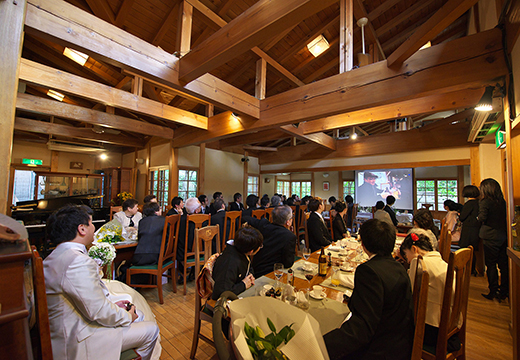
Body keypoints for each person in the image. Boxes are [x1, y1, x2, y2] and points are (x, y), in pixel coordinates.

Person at [44, 205, 159, 360]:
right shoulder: (77, 261)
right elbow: (97, 310)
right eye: (91, 223)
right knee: (151, 329)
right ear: (82, 229)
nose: (94, 227)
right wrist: (126, 316)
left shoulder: (53, 257)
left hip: (69, 324)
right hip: (77, 338)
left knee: (136, 311)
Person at [323, 219, 414, 360]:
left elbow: (361, 330)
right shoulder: (399, 267)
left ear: (363, 244)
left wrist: (321, 345)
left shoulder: (369, 272)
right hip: (401, 344)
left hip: (379, 350)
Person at [399, 233, 461, 353]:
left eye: (406, 255)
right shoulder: (441, 262)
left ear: (414, 249)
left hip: (431, 330)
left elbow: (408, 295)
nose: (408, 259)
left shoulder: (419, 262)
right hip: (452, 324)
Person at [211, 225, 263, 300]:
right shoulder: (229, 263)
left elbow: (249, 267)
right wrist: (243, 285)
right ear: (251, 251)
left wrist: (250, 275)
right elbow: (221, 293)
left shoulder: (241, 250)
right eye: (260, 246)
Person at [243, 205, 296, 277]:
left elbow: (246, 217)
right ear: (288, 222)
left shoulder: (263, 225)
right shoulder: (289, 236)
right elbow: (288, 263)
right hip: (273, 273)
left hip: (256, 269)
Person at [478, 178, 508, 301]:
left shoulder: (485, 202)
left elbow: (482, 218)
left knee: (490, 265)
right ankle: (505, 290)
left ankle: (493, 290)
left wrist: (477, 217)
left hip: (490, 236)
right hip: (502, 235)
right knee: (503, 265)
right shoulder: (502, 201)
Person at [176, 197, 207, 284]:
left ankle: (182, 274)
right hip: (201, 252)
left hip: (184, 253)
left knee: (179, 244)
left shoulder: (181, 220)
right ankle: (194, 272)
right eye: (200, 207)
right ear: (196, 211)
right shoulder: (204, 220)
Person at [459, 185, 481, 275]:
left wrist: (460, 214)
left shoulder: (469, 203)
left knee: (466, 249)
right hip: (476, 229)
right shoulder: (478, 203)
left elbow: (462, 217)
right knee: (472, 250)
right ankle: (472, 270)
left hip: (468, 229)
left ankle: (468, 269)